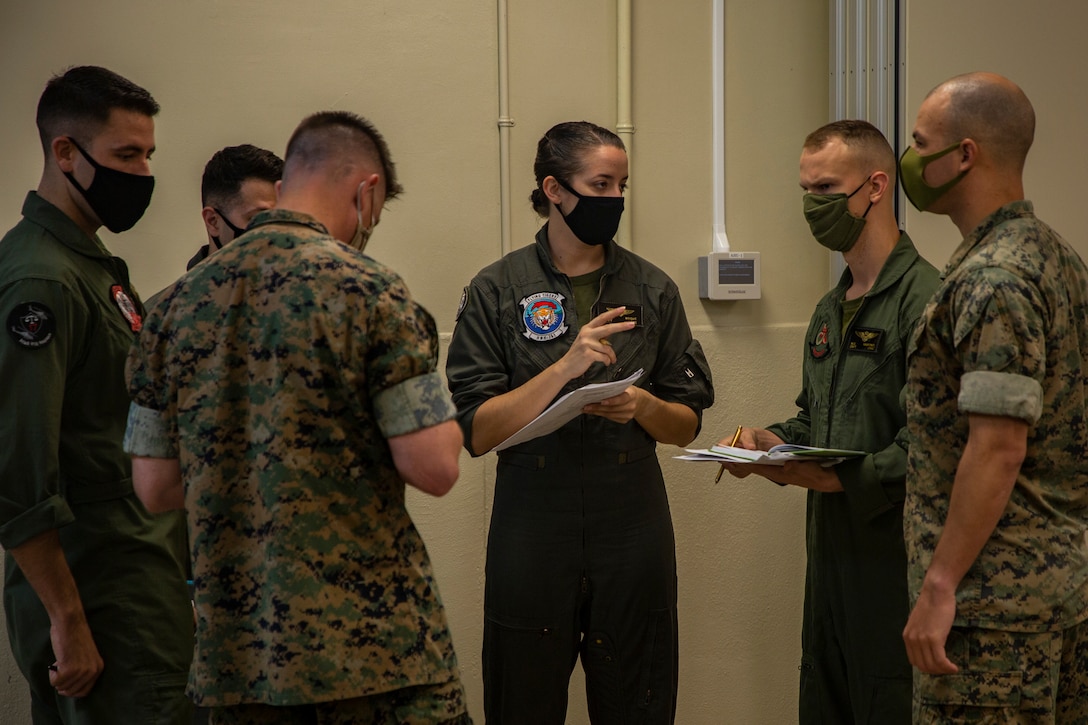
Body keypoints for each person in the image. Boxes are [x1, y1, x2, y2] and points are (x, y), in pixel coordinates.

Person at [125, 110, 471, 724]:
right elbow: (436, 467)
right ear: (366, 193)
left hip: (240, 664)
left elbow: (155, 490)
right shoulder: (373, 292)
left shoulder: (171, 310)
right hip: (375, 658)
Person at [446, 120, 714, 724]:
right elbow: (477, 432)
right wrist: (565, 369)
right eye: (600, 183)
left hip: (631, 519)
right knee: (524, 701)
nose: (614, 198)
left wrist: (643, 406)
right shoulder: (496, 290)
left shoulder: (652, 288)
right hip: (534, 521)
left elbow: (686, 424)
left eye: (622, 185)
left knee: (638, 701)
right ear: (555, 189)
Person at [718, 120, 939, 724]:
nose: (813, 207)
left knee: (891, 701)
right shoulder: (828, 309)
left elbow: (935, 448)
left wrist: (838, 479)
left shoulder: (927, 301)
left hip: (897, 563)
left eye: (825, 190)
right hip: (830, 563)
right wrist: (771, 442)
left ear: (875, 187)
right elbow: (815, 418)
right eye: (805, 190)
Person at [0, 65, 193, 723]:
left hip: (134, 581)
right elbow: (18, 471)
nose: (141, 173)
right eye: (125, 155)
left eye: (148, 155)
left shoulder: (89, 266)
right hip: (103, 600)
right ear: (65, 153)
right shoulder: (41, 281)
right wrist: (67, 618)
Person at [900, 72, 1088, 723]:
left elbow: (1000, 446)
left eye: (920, 143)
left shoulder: (994, 277)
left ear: (965, 155)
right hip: (1060, 592)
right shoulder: (1056, 258)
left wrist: (940, 584)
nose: (910, 158)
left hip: (994, 612)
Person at [187, 144, 282, 270]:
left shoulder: (299, 285)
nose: (277, 232)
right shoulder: (185, 290)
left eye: (283, 218)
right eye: (261, 219)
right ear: (213, 221)